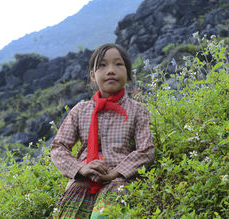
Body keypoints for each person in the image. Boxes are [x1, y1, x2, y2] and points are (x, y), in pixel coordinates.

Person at [51, 43, 155, 218]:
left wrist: (115, 172)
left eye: (118, 64)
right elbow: (58, 147)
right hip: (82, 182)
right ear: (93, 75)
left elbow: (146, 151)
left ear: (128, 74)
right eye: (102, 65)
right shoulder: (80, 110)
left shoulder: (138, 110)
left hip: (120, 181)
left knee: (103, 216)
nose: (111, 71)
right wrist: (81, 169)